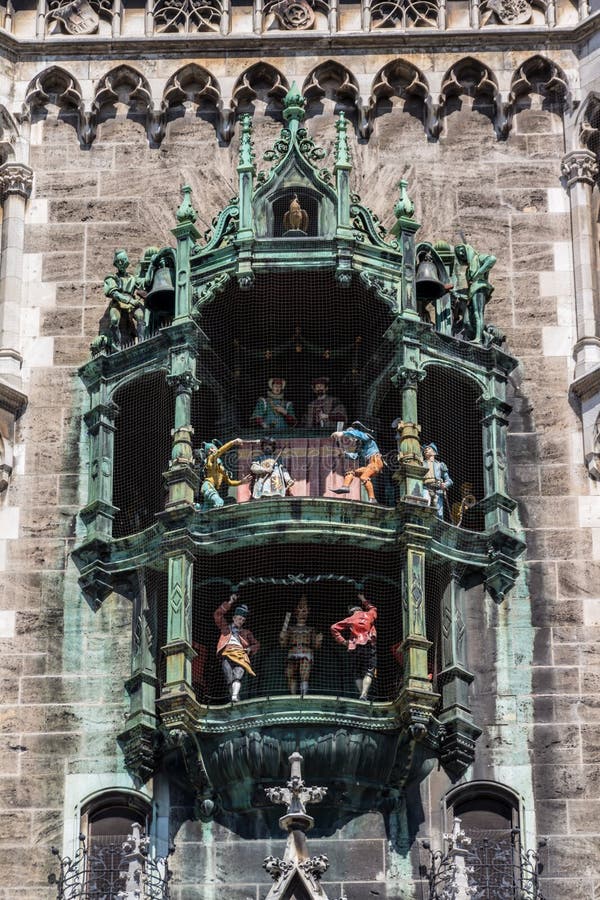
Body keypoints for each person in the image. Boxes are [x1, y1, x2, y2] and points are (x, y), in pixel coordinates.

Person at [330, 591, 377, 701]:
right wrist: (362, 598)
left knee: (356, 672)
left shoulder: (351, 619)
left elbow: (333, 628)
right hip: (368, 645)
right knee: (369, 671)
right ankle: (364, 694)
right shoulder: (370, 614)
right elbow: (373, 607)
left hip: (355, 647)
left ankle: (361, 694)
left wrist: (343, 641)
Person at [214, 593, 260, 702]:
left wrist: (250, 649)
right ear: (234, 618)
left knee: (238, 676)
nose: (241, 622)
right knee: (230, 679)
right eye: (239, 619)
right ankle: (234, 697)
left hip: (240, 656)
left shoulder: (246, 633)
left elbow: (256, 644)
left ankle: (235, 696)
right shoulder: (226, 628)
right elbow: (217, 614)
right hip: (227, 656)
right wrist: (230, 602)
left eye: (243, 620)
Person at [103, 249, 146, 350]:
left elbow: (143, 283)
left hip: (132, 303)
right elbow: (114, 293)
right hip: (117, 303)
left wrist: (152, 268)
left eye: (123, 260)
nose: (121, 263)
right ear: (116, 264)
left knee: (140, 316)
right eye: (118, 261)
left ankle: (142, 341)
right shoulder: (111, 278)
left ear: (127, 262)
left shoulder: (133, 278)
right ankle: (116, 344)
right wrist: (130, 301)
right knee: (114, 320)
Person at [279, 596, 323, 696]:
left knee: (304, 673)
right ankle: (292, 695)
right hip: (292, 652)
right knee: (291, 673)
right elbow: (283, 644)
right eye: (300, 608)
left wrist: (318, 640)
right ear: (295, 611)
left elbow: (316, 646)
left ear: (308, 611)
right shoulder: (290, 629)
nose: (302, 611)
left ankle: (304, 694)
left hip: (306, 652)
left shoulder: (311, 629)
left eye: (305, 609)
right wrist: (282, 637)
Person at [330, 421, 383, 504]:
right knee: (351, 472)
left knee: (364, 477)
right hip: (370, 465)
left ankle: (372, 499)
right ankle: (345, 487)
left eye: (351, 438)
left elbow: (358, 434)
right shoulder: (361, 447)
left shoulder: (366, 437)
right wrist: (343, 453)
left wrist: (342, 433)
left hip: (375, 463)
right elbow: (354, 456)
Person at [454, 243, 496, 344]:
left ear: (467, 250)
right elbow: (469, 290)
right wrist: (458, 295)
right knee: (471, 318)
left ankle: (479, 339)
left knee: (478, 314)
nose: (461, 253)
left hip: (480, 287)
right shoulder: (468, 268)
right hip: (473, 290)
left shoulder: (478, 258)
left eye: (462, 250)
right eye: (458, 252)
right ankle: (486, 336)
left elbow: (492, 259)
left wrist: (479, 273)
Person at [195, 437, 249, 510]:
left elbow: (230, 482)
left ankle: (198, 507)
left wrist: (242, 482)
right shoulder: (210, 459)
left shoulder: (222, 470)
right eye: (208, 450)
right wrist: (232, 442)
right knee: (219, 501)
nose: (211, 450)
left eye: (212, 448)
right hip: (208, 487)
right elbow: (220, 451)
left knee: (205, 510)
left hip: (213, 490)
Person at [422, 443, 453, 519]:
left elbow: (449, 480)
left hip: (438, 490)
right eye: (425, 449)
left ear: (434, 453)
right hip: (425, 488)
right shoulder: (421, 464)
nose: (426, 450)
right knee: (425, 506)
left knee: (438, 512)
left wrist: (445, 485)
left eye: (428, 449)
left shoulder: (440, 465)